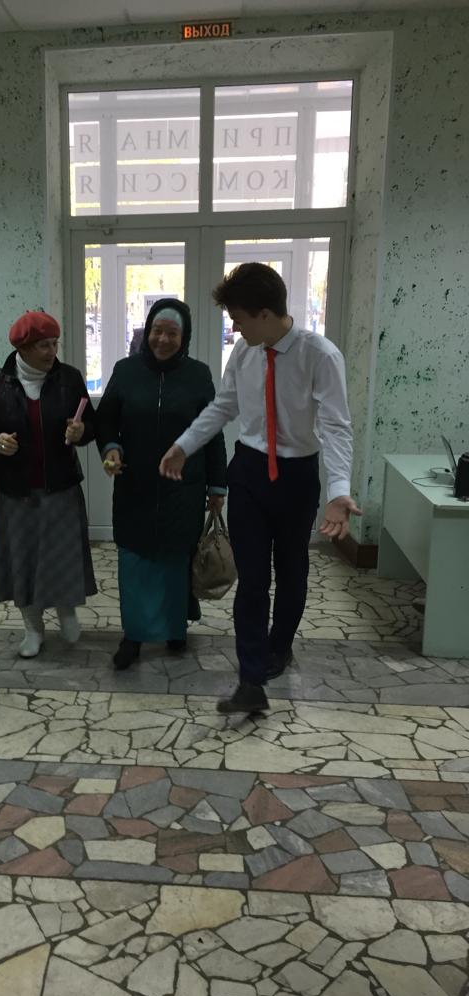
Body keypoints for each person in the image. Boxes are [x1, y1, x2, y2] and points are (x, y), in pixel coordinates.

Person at [160, 263, 361, 713]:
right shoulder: (244, 352)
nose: (235, 328)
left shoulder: (320, 355)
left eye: (239, 318)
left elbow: (336, 427)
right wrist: (183, 446)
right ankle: (250, 680)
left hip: (297, 477)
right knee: (252, 579)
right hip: (249, 472)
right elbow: (223, 406)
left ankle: (279, 645)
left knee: (292, 572)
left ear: (265, 314)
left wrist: (338, 491)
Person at [97, 298, 227, 669]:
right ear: (147, 330)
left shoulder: (198, 375)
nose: (163, 339)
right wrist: (111, 447)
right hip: (134, 486)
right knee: (135, 561)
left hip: (183, 488)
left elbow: (213, 433)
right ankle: (133, 636)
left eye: (172, 333)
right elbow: (106, 420)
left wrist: (217, 486)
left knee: (174, 560)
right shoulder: (125, 371)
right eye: (157, 331)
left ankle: (174, 629)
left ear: (184, 337)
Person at [0, 310, 97, 657]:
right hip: (17, 492)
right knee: (23, 563)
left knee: (63, 558)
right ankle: (33, 628)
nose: (52, 351)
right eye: (43, 345)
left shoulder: (69, 379)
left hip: (62, 487)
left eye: (55, 343)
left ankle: (66, 611)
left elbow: (92, 426)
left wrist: (82, 431)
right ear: (22, 349)